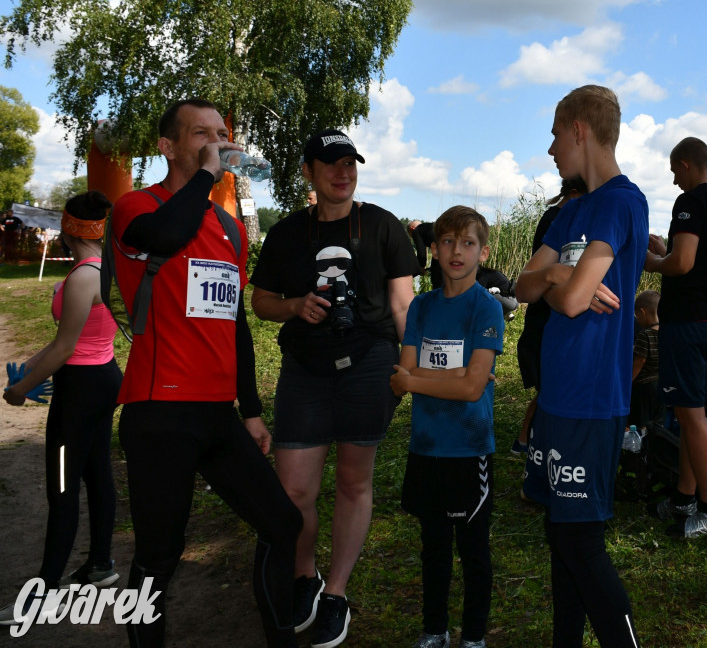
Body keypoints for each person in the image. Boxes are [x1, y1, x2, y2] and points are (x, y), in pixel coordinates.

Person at [111, 99, 302, 647]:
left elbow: (234, 320)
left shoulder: (229, 228)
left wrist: (252, 409)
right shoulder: (136, 208)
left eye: (222, 133)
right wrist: (208, 176)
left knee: (282, 523)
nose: (217, 142)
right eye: (201, 134)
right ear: (167, 147)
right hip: (159, 409)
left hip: (218, 414)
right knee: (158, 558)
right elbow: (167, 238)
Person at [250, 129, 419, 648]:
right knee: (295, 489)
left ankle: (336, 592)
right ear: (309, 172)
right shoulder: (286, 234)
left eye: (350, 163)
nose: (342, 173)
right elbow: (261, 301)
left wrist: (411, 371)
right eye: (330, 164)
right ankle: (305, 576)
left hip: (369, 365)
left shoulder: (384, 226)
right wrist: (296, 305)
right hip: (305, 369)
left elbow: (403, 306)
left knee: (353, 483)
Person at [516, 85, 646, 647]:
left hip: (593, 397)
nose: (549, 150)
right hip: (557, 396)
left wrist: (560, 286)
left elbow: (570, 303)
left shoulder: (621, 202)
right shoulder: (572, 210)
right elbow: (526, 285)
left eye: (553, 135)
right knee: (559, 534)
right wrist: (555, 278)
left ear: (578, 131)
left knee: (580, 542)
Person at [0, 192, 122, 626]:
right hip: (103, 377)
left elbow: (66, 346)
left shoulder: (82, 277)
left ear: (70, 229)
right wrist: (28, 370)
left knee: (63, 486)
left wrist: (21, 390)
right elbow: (75, 343)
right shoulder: (106, 269)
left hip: (80, 391)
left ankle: (42, 595)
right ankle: (102, 563)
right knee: (97, 472)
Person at [390, 205, 505, 648]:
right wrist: (457, 377)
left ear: (483, 251)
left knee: (474, 550)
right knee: (433, 547)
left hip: (468, 450)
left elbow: (473, 388)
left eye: (468, 243)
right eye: (449, 242)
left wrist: (425, 380)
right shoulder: (420, 307)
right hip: (427, 446)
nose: (458, 251)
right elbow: (402, 378)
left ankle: (474, 636)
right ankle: (434, 629)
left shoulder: (486, 309)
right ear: (434, 250)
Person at [645, 137, 707, 538]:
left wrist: (649, 260)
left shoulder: (689, 202)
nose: (673, 183)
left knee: (691, 415)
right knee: (692, 409)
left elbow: (682, 264)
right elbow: (699, 261)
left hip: (685, 321)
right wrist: (667, 250)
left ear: (685, 164)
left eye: (673, 173)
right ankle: (685, 496)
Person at [511, 177, 586, 454]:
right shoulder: (557, 219)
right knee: (549, 388)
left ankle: (528, 440)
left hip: (549, 309)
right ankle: (524, 441)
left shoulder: (560, 216)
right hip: (546, 313)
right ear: (575, 193)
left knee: (551, 386)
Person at [630, 289, 661, 430]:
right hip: (661, 385)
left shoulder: (645, 335)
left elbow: (640, 361)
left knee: (641, 424)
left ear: (642, 312)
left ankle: (640, 449)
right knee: (657, 424)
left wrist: (628, 382)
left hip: (644, 388)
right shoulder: (667, 332)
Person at [409, 220, 442, 290]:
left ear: (412, 229)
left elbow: (421, 254)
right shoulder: (428, 228)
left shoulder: (416, 231)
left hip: (440, 249)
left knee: (436, 280)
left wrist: (421, 267)